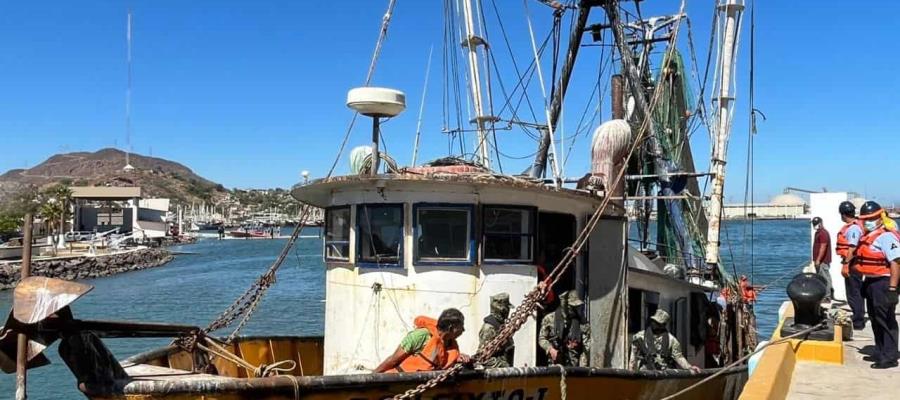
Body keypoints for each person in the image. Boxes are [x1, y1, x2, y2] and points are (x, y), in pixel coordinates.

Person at [854, 201, 900, 369]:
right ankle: (880, 351)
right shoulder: (869, 236)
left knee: (885, 319)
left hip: (884, 281)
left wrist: (892, 289)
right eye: (865, 219)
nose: (868, 222)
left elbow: (896, 263)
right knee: (874, 318)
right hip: (871, 281)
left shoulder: (886, 237)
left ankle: (890, 356)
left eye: (871, 218)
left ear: (880, 218)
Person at [374, 308, 471, 373]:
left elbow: (444, 359)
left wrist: (459, 358)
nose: (463, 330)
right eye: (461, 326)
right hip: (400, 383)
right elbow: (393, 360)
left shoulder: (450, 343)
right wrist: (371, 377)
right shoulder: (420, 336)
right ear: (450, 328)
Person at [629, 309, 701, 373]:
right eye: (653, 321)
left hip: (664, 373)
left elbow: (678, 357)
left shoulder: (671, 340)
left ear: (663, 325)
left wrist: (689, 367)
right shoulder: (640, 337)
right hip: (646, 372)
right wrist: (631, 371)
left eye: (657, 323)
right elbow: (633, 355)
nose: (654, 324)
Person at [538, 290, 590, 367]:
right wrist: (550, 349)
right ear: (564, 305)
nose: (574, 309)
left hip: (574, 366)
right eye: (571, 306)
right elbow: (542, 339)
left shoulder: (582, 323)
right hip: (555, 365)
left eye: (576, 307)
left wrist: (583, 368)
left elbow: (586, 348)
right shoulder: (549, 319)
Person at [835, 201, 866, 329]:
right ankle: (857, 315)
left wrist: (846, 264)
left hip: (853, 262)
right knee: (854, 291)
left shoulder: (853, 228)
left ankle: (858, 320)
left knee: (854, 292)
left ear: (843, 214)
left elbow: (852, 248)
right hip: (852, 261)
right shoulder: (855, 226)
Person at [477, 293, 515, 368]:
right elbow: (483, 357)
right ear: (503, 310)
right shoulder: (489, 328)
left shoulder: (500, 325)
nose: (508, 310)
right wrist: (504, 365)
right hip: (496, 375)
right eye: (507, 308)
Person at [811, 217, 833, 300]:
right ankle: (826, 295)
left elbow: (823, 246)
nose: (815, 225)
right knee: (822, 278)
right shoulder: (818, 233)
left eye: (816, 223)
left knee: (824, 278)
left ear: (820, 223)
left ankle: (827, 297)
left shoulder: (823, 233)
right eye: (813, 223)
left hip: (822, 261)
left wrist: (818, 260)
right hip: (819, 261)